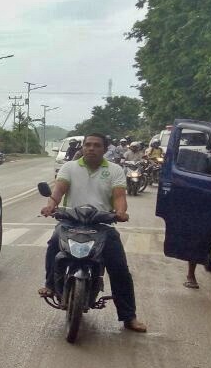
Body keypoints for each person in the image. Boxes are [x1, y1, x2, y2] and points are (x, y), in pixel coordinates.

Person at [39, 133, 147, 332]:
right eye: (88, 145)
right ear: (82, 147)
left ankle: (129, 316)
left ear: (105, 149)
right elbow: (57, 192)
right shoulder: (69, 167)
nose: (91, 148)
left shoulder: (114, 170)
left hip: (102, 225)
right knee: (53, 243)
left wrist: (121, 212)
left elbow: (119, 196)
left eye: (96, 145)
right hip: (70, 221)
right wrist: (50, 205)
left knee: (120, 269)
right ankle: (49, 284)